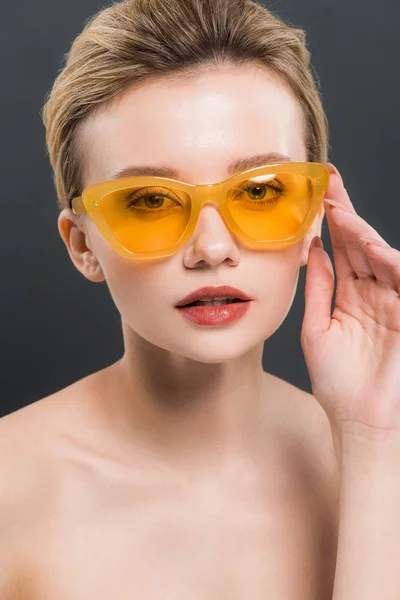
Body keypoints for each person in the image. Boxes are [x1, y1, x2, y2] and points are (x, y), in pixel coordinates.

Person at [2, 0, 400, 598]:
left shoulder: (383, 461)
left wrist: (375, 442)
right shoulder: (11, 489)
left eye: (262, 190)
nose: (212, 249)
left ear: (316, 215)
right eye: (150, 201)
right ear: (83, 245)